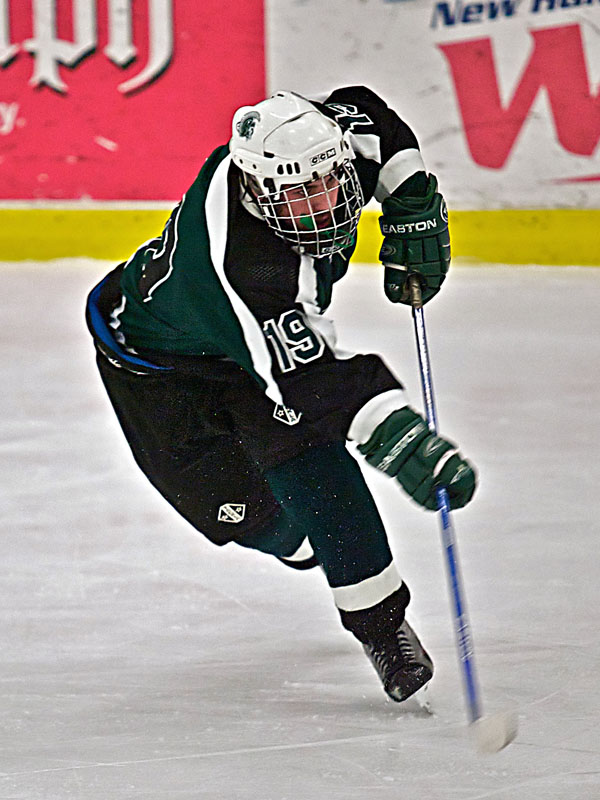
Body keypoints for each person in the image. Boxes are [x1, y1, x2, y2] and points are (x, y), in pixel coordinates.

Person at [86, 86, 476, 704]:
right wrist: (403, 438)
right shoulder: (248, 268)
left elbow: (367, 109)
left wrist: (412, 202)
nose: (324, 205)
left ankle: (382, 628)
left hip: (256, 351)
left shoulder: (329, 146)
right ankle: (302, 543)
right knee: (259, 523)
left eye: (331, 183)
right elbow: (313, 379)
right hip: (159, 368)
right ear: (259, 192)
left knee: (311, 462)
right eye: (300, 195)